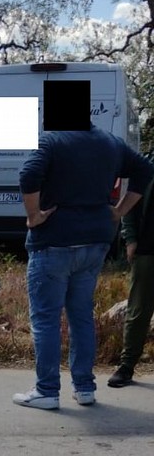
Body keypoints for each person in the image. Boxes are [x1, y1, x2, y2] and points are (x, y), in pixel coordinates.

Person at [13, 125, 154, 410]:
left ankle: (47, 391)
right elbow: (145, 170)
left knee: (46, 319)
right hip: (95, 242)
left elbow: (28, 174)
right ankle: (84, 387)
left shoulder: (51, 140)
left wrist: (33, 216)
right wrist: (118, 211)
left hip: (54, 241)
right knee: (81, 316)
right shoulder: (111, 143)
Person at [108, 152, 154, 388]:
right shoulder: (147, 165)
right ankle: (126, 367)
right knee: (138, 311)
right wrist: (130, 239)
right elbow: (130, 204)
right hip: (147, 250)